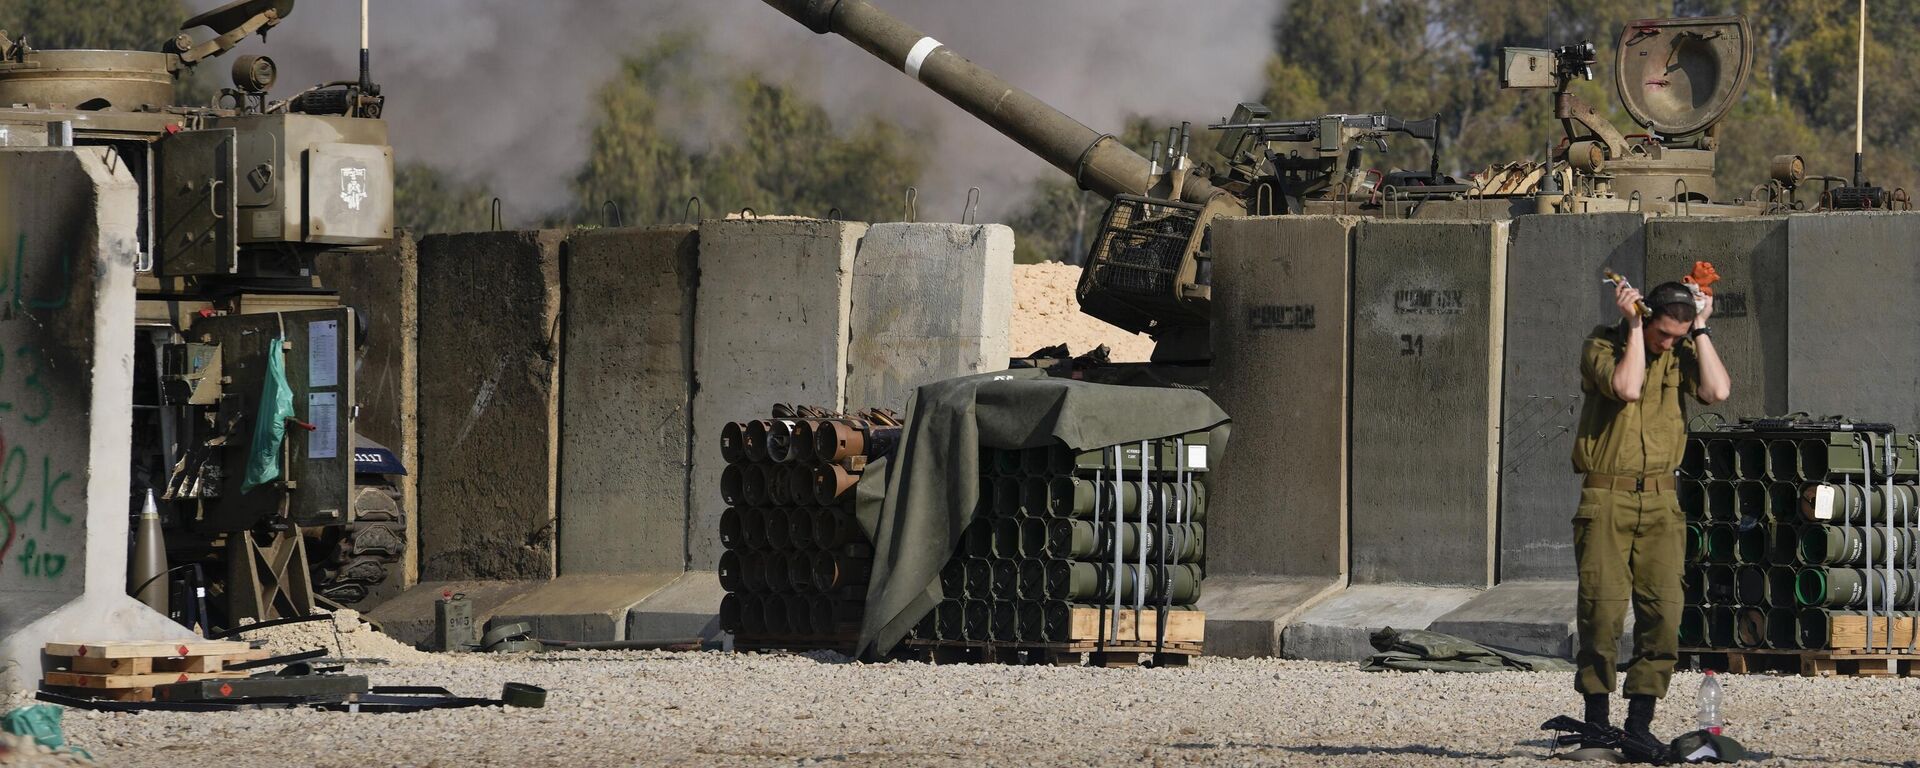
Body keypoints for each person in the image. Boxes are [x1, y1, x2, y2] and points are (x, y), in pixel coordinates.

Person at [1571, 278, 1730, 749]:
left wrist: (1699, 329)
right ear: (1644, 318)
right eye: (1664, 333)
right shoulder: (1603, 344)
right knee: (1601, 614)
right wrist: (1636, 329)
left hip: (1662, 500)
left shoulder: (1683, 350)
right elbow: (1628, 386)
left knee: (1663, 614)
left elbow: (1718, 390)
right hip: (1607, 498)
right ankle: (1598, 724)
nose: (1668, 343)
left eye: (1675, 336)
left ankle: (1639, 724)